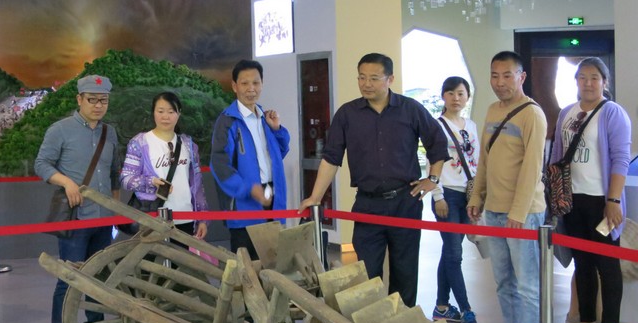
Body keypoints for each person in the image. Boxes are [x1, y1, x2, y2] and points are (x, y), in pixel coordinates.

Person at [299, 53, 448, 308]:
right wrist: (315, 197)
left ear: (390, 79)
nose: (366, 84)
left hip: (405, 201)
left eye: (374, 78)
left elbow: (437, 143)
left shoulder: (410, 109)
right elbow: (331, 158)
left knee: (405, 271)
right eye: (361, 77)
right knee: (366, 272)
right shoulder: (347, 114)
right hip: (368, 204)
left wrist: (432, 178)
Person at [467, 51, 547, 323]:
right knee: (503, 281)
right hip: (495, 211)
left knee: (527, 285)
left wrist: (518, 212)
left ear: (521, 77)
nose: (499, 82)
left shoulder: (532, 114)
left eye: (507, 75)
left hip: (523, 214)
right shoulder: (492, 110)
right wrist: (478, 196)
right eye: (494, 75)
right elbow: (485, 160)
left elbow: (532, 169)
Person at [34, 74, 121, 323]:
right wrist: (66, 182)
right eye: (92, 99)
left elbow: (113, 173)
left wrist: (115, 209)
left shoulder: (110, 132)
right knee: (69, 279)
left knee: (98, 276)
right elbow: (41, 164)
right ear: (79, 99)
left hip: (103, 218)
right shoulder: (60, 130)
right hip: (75, 218)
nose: (98, 105)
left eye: (103, 100)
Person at [551, 57, 631, 323]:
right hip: (573, 199)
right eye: (582, 77)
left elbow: (621, 158)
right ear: (576, 81)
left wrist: (613, 200)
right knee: (582, 262)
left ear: (604, 82)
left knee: (607, 264)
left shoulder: (613, 113)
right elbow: (557, 156)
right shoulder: (566, 113)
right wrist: (555, 198)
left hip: (601, 200)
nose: (587, 83)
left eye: (594, 77)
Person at [211, 59, 290, 260]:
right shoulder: (227, 121)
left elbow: (279, 154)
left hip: (273, 199)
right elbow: (219, 164)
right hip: (244, 206)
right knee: (248, 268)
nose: (251, 89)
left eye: (256, 82)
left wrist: (277, 130)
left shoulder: (265, 117)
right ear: (234, 86)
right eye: (245, 83)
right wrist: (248, 189)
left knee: (273, 264)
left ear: (262, 84)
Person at [120, 91, 209, 241]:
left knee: (182, 256)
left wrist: (202, 218)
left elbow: (197, 184)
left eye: (171, 112)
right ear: (153, 112)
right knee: (153, 256)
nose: (165, 117)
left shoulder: (188, 145)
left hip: (185, 216)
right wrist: (151, 182)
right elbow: (126, 179)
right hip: (153, 219)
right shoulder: (140, 143)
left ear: (179, 113)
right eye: (160, 111)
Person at [429, 76, 479, 323]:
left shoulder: (471, 125)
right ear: (443, 96)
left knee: (450, 252)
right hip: (446, 195)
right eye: (450, 93)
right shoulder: (437, 125)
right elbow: (433, 162)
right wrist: (437, 195)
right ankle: (466, 309)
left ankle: (441, 307)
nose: (456, 98)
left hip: (466, 195)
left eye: (460, 93)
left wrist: (478, 196)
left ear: (467, 96)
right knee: (454, 254)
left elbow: (477, 162)